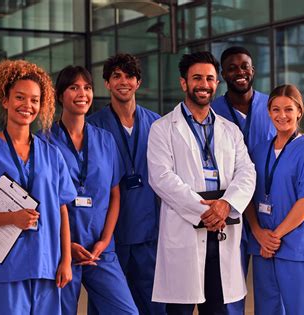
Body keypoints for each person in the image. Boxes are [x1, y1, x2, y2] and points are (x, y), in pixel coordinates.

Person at [0, 59, 76, 314]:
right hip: (5, 270)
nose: (28, 106)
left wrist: (66, 260)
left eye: (35, 100)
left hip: (47, 265)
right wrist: (11, 218)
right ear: (5, 100)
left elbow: (62, 209)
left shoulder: (52, 154)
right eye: (20, 97)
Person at [147, 51, 256, 314]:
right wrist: (206, 211)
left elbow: (247, 172)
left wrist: (225, 205)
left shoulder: (230, 130)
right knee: (180, 308)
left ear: (216, 83)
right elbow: (161, 178)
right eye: (197, 78)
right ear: (184, 83)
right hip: (185, 229)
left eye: (209, 78)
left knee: (219, 308)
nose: (204, 84)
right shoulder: (163, 128)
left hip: (223, 229)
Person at [45, 65, 138, 314]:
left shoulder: (105, 139)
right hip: (60, 251)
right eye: (74, 87)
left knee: (127, 311)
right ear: (59, 95)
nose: (82, 93)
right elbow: (42, 200)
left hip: (100, 250)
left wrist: (105, 240)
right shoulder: (45, 141)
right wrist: (66, 246)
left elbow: (115, 193)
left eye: (87, 87)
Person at [87, 53, 165, 314]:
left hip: (149, 233)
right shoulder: (92, 127)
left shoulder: (158, 124)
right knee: (108, 306)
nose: (123, 81)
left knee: (153, 305)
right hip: (110, 235)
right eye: (116, 76)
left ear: (138, 82)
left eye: (129, 76)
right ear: (107, 83)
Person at [245, 84, 304, 314]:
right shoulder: (258, 151)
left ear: (299, 111)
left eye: (288, 109)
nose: (282, 115)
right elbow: (247, 194)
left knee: (302, 310)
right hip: (263, 249)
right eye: (276, 109)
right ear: (268, 112)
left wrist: (274, 238)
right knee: (267, 309)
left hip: (296, 248)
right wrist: (259, 233)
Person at [211, 46, 276, 313]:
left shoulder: (271, 107)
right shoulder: (212, 111)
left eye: (245, 66)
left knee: (271, 283)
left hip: (268, 205)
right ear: (223, 74)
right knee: (229, 282)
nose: (240, 72)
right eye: (233, 68)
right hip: (228, 206)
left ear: (253, 69)